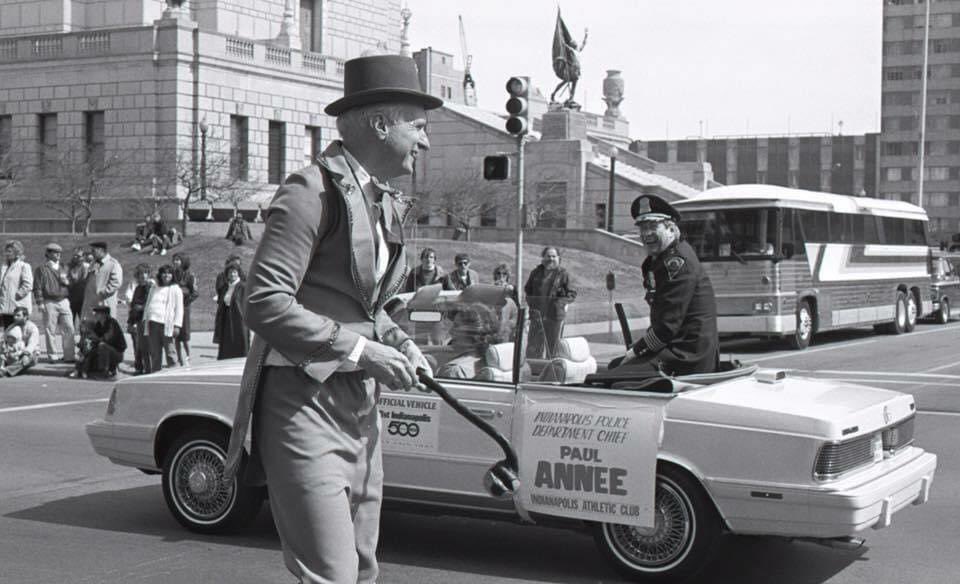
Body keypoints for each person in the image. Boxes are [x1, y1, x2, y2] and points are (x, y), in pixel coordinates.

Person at [223, 54, 440, 584]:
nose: (426, 141)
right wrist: (366, 351)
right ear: (380, 123)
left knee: (363, 571)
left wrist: (397, 341)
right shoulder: (308, 191)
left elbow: (365, 305)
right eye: (419, 125)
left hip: (361, 409)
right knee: (332, 575)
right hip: (301, 407)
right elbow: (265, 301)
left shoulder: (378, 200)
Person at [610, 195, 719, 376]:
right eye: (643, 228)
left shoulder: (677, 263)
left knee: (609, 378)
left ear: (670, 229)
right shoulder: (662, 259)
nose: (646, 234)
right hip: (677, 350)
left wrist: (635, 351)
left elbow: (666, 328)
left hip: (687, 358)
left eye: (653, 226)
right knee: (615, 366)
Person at [524, 246, 577, 358]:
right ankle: (533, 370)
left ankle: (551, 371)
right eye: (548, 256)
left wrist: (559, 303)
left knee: (552, 349)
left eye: (554, 256)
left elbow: (572, 294)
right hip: (537, 316)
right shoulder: (536, 272)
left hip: (554, 317)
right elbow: (528, 289)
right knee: (533, 347)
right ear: (543, 258)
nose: (551, 259)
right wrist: (531, 303)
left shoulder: (563, 274)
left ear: (558, 258)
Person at [436, 302, 508, 379]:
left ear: (473, 333)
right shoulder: (499, 365)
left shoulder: (454, 370)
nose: (451, 331)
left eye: (456, 326)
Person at [33, 242, 76, 363]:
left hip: (64, 300)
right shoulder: (41, 269)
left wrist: (68, 282)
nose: (58, 255)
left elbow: (72, 283)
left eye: (59, 253)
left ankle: (69, 356)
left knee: (69, 328)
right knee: (50, 329)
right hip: (49, 301)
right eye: (55, 252)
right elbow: (37, 287)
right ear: (48, 254)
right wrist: (40, 302)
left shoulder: (64, 267)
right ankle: (53, 356)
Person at [141, 264, 183, 374]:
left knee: (170, 352)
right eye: (164, 273)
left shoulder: (175, 289)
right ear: (160, 275)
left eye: (169, 273)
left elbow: (179, 309)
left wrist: (177, 325)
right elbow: (148, 304)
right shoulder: (154, 287)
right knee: (155, 353)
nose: (166, 275)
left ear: (172, 275)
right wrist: (145, 319)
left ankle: (175, 374)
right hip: (152, 323)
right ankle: (155, 374)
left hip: (166, 325)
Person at [69, 306, 126, 379]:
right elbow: (93, 339)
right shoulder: (99, 324)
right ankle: (79, 370)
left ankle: (104, 372)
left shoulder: (112, 323)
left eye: (97, 313)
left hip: (117, 353)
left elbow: (107, 339)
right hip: (105, 351)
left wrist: (96, 338)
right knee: (87, 347)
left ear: (104, 314)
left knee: (102, 346)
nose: (95, 315)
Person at [80, 242, 123, 324]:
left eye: (94, 251)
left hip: (104, 304)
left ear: (101, 250)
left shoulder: (113, 264)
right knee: (91, 330)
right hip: (91, 305)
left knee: (104, 330)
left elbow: (116, 283)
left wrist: (102, 293)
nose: (92, 253)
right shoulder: (93, 263)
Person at [213, 264, 249, 359]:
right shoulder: (224, 287)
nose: (232, 274)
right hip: (227, 319)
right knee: (226, 346)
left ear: (238, 273)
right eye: (230, 272)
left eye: (234, 272)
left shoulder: (243, 287)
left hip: (239, 320)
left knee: (240, 345)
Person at [172, 253, 199, 366]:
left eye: (178, 260)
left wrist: (185, 303)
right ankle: (179, 360)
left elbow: (195, 293)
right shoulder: (172, 274)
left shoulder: (190, 276)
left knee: (185, 336)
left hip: (184, 308)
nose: (175, 262)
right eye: (174, 260)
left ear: (183, 261)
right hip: (173, 308)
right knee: (176, 336)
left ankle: (188, 358)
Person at [127, 263, 154, 375]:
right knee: (141, 346)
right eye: (141, 274)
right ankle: (143, 368)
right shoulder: (138, 288)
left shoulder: (151, 287)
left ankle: (150, 370)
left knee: (148, 347)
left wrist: (141, 307)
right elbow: (133, 306)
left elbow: (151, 303)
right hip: (138, 320)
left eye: (146, 273)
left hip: (148, 320)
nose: (143, 276)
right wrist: (130, 321)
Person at [0, 240, 33, 329]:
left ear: (17, 253)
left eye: (9, 251)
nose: (6, 253)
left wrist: (17, 295)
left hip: (18, 308)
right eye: (6, 251)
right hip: (5, 308)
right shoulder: (4, 267)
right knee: (8, 334)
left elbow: (28, 285)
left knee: (19, 335)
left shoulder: (24, 266)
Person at [1, 307, 40, 376]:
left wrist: (26, 354)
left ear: (25, 317)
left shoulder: (32, 328)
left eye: (18, 315)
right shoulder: (11, 326)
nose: (15, 317)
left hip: (29, 353)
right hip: (13, 352)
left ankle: (6, 371)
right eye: (14, 315)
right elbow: (4, 338)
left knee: (26, 359)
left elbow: (32, 344)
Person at [67, 248, 90, 330]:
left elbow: (85, 281)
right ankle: (70, 341)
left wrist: (75, 279)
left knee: (84, 322)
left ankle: (83, 341)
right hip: (71, 299)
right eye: (75, 255)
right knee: (69, 322)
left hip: (82, 299)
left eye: (78, 256)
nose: (76, 257)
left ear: (83, 257)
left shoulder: (86, 267)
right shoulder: (68, 267)